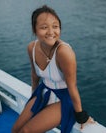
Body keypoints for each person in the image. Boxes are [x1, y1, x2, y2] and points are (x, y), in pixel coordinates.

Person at [12, 5, 94, 133]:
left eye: (55, 26)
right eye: (44, 27)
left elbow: (72, 87)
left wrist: (81, 116)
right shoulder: (32, 48)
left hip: (63, 99)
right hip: (43, 93)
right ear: (35, 30)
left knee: (25, 131)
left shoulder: (64, 52)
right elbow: (35, 75)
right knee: (15, 130)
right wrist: (34, 98)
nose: (51, 32)